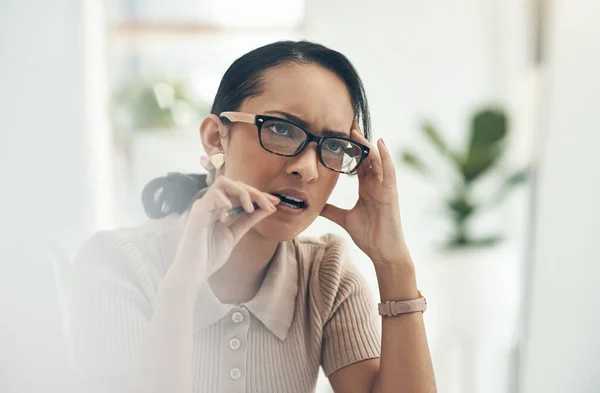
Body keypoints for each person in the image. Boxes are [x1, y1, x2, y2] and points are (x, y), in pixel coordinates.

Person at [69, 40, 436, 393]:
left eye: (334, 146)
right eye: (280, 129)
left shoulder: (326, 273)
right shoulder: (118, 262)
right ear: (216, 138)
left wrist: (394, 264)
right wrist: (182, 287)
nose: (307, 169)